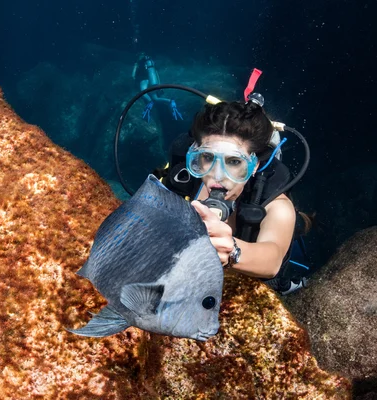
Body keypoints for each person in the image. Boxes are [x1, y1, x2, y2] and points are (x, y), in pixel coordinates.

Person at [163, 98, 310, 294]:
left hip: (248, 276)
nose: (217, 175)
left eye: (233, 161)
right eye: (207, 158)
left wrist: (233, 251)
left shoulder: (277, 206)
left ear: (254, 165)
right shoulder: (184, 179)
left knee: (292, 239)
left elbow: (273, 259)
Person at [132, 53, 183, 122]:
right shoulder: (151, 63)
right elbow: (156, 73)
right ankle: (170, 101)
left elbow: (133, 75)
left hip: (143, 79)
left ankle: (149, 103)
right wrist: (159, 86)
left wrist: (135, 78)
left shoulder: (138, 63)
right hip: (153, 80)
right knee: (155, 98)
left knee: (143, 92)